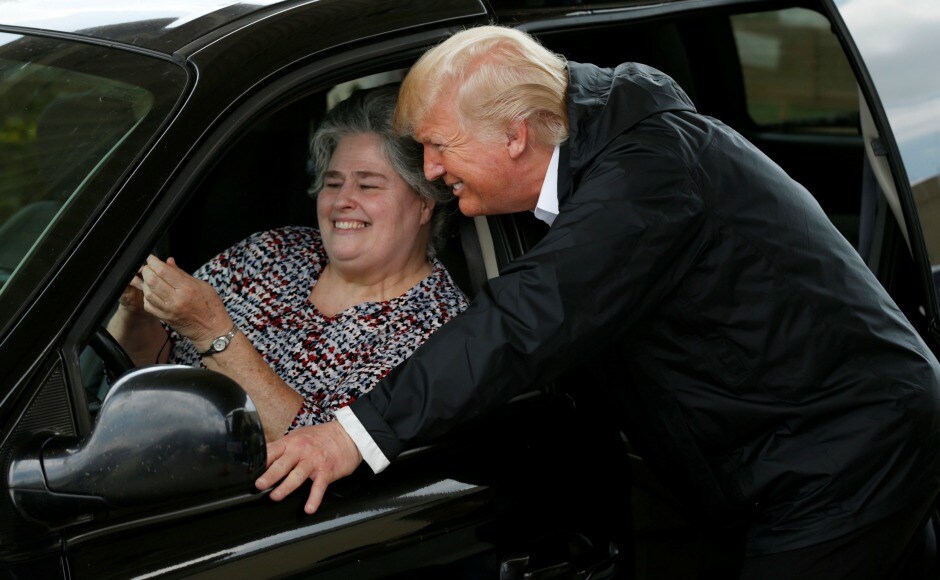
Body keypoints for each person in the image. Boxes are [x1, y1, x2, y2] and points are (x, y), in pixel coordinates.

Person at [255, 26, 940, 578]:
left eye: (437, 147)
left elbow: (530, 315)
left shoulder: (651, 175)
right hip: (770, 453)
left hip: (847, 453)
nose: (430, 172)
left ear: (515, 136)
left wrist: (356, 433)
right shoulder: (580, 159)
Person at [107, 85, 468, 442]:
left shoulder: (439, 327)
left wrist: (214, 333)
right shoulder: (273, 250)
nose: (341, 201)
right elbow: (148, 374)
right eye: (333, 183)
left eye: (368, 186)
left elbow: (325, 450)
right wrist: (138, 313)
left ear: (424, 201)